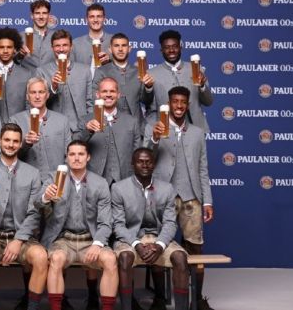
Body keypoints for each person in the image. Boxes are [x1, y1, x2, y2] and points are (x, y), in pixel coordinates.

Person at [145, 86, 214, 310]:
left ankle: (198, 298)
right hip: (162, 196)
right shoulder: (153, 127)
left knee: (195, 248)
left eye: (183, 102)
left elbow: (203, 168)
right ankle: (159, 297)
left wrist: (207, 200)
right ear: (168, 103)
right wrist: (154, 139)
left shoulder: (197, 133)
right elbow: (144, 159)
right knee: (156, 245)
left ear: (187, 104)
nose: (179, 106)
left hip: (191, 197)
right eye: (175, 101)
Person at [0, 123, 48, 310]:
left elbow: (35, 211)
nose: (11, 144)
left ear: (21, 144)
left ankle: (32, 307)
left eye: (15, 141)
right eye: (7, 140)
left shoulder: (32, 173)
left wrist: (19, 239)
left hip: (21, 236)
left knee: (40, 256)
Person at [38, 140, 117, 310]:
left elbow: (106, 221)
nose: (76, 158)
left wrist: (97, 244)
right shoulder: (54, 178)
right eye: (72, 154)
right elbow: (38, 205)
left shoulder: (100, 183)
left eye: (81, 154)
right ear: (66, 158)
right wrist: (45, 197)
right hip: (63, 240)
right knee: (56, 259)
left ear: (88, 157)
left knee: (110, 260)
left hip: (90, 239)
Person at [112, 148, 190, 310]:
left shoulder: (167, 188)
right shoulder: (119, 189)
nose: (145, 165)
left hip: (159, 237)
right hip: (131, 238)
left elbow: (170, 223)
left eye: (148, 161)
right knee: (125, 257)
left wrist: (160, 245)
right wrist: (137, 245)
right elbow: (118, 225)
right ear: (133, 164)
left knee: (181, 258)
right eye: (140, 161)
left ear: (154, 165)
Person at [77, 77, 142, 186]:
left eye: (112, 91)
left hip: (125, 181)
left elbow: (137, 153)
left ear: (118, 94)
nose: (108, 94)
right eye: (104, 91)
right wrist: (87, 130)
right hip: (93, 181)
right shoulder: (85, 120)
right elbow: (74, 146)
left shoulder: (132, 121)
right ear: (97, 95)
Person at [147, 30, 214, 132]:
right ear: (161, 50)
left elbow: (209, 102)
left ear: (180, 47)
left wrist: (202, 86)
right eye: (167, 47)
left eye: (175, 46)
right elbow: (147, 104)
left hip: (195, 130)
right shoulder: (151, 74)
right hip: (165, 131)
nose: (171, 50)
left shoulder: (196, 70)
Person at [11, 77, 76, 172]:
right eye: (33, 92)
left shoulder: (62, 121)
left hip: (55, 180)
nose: (37, 96)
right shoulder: (15, 121)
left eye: (41, 92)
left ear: (48, 95)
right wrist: (25, 144)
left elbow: (69, 154)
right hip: (26, 180)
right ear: (27, 96)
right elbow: (10, 155)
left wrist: (61, 177)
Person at [91, 33, 154, 128]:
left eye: (124, 45)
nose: (120, 49)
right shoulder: (101, 71)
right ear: (110, 49)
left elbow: (146, 101)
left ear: (129, 48)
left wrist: (148, 87)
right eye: (116, 46)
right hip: (110, 126)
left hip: (136, 127)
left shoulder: (139, 72)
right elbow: (95, 99)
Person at [35, 30, 92, 128]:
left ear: (71, 46)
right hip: (53, 127)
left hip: (80, 127)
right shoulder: (42, 71)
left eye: (65, 45)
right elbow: (37, 102)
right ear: (52, 48)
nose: (61, 49)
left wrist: (88, 124)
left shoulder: (85, 70)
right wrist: (53, 88)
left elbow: (90, 101)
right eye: (57, 46)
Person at [0, 27, 33, 122]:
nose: (5, 51)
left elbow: (29, 104)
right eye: (1, 47)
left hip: (18, 127)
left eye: (9, 47)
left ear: (15, 49)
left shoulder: (26, 74)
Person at [70, 4, 113, 75]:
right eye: (92, 17)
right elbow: (72, 71)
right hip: (83, 85)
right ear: (86, 19)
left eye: (99, 16)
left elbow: (122, 66)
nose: (95, 20)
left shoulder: (114, 41)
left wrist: (110, 59)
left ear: (104, 19)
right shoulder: (76, 43)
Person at [19, 0, 56, 70]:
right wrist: (20, 55)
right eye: (37, 13)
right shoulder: (20, 37)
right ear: (32, 16)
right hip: (27, 80)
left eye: (44, 13)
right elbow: (13, 63)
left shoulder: (56, 37)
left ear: (49, 15)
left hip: (50, 80)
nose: (41, 17)